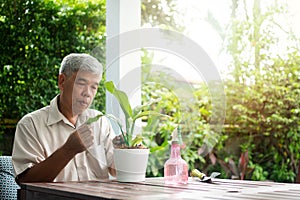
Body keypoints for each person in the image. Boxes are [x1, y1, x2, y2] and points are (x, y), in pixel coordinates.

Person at [12, 53, 116, 183]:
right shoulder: (30, 124)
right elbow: (26, 181)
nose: (87, 93)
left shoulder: (100, 121)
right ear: (62, 81)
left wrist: (130, 152)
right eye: (81, 83)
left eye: (93, 87)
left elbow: (116, 170)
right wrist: (68, 150)